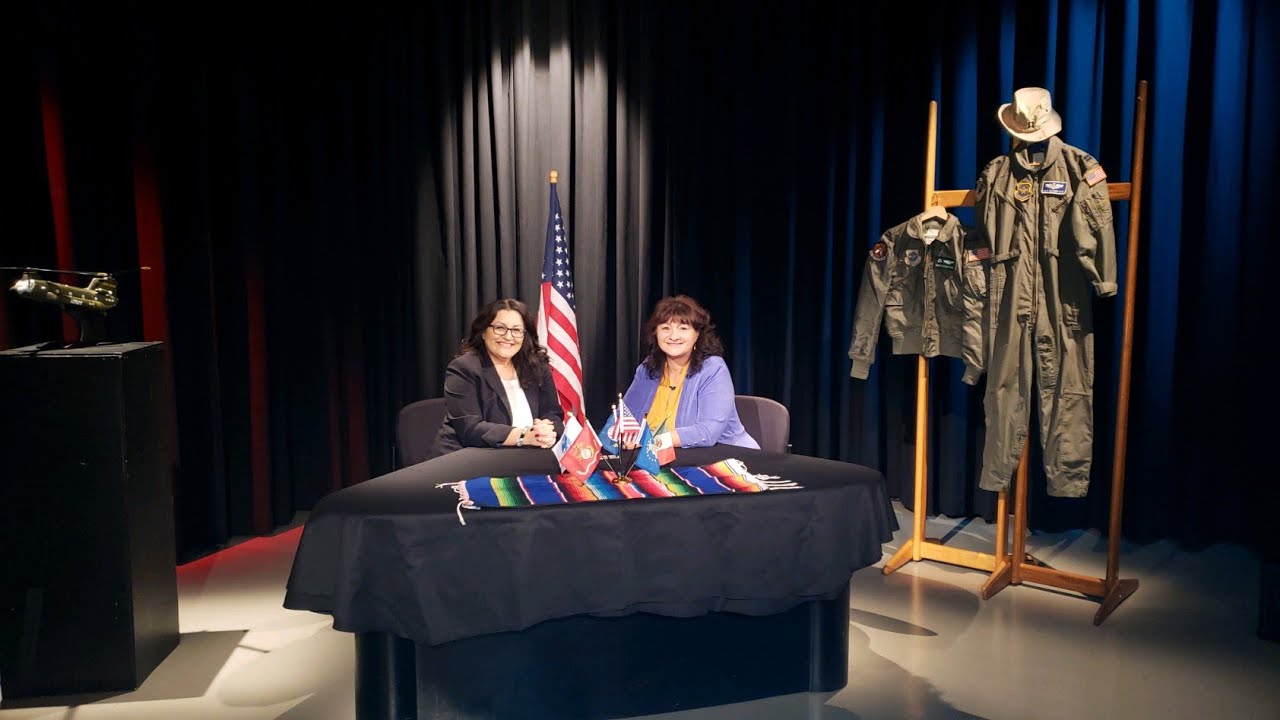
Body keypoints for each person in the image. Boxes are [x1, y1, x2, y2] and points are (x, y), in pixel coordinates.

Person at [430, 299, 564, 457]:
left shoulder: (537, 366)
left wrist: (547, 430)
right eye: (500, 328)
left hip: (525, 456)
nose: (508, 336)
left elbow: (553, 413)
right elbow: (470, 429)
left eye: (516, 330)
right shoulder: (464, 368)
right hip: (468, 458)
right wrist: (524, 436)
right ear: (483, 332)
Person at [621, 295, 759, 449]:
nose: (673, 336)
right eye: (665, 328)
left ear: (697, 334)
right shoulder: (648, 368)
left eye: (683, 328)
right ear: (656, 333)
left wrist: (650, 439)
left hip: (727, 456)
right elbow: (624, 418)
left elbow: (707, 433)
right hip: (659, 455)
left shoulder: (713, 369)